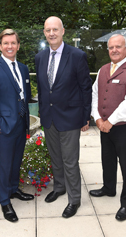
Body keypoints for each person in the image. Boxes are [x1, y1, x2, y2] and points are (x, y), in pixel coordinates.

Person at [35, 16, 92, 218]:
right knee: (56, 157)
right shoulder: (40, 57)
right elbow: (43, 90)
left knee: (70, 161)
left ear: (63, 31)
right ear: (44, 32)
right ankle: (59, 187)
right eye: (48, 30)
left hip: (70, 117)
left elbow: (86, 88)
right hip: (49, 118)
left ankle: (74, 199)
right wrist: (42, 113)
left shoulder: (77, 56)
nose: (52, 33)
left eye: (55, 30)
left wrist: (86, 116)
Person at [90, 34, 126, 221]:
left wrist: (110, 121)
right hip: (104, 125)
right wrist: (97, 118)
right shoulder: (102, 70)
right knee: (107, 160)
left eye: (118, 47)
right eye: (111, 47)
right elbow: (95, 95)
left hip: (124, 127)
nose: (114, 50)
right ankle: (108, 188)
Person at [0, 29, 33, 223]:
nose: (10, 46)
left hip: (21, 123)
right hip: (5, 126)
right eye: (6, 43)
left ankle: (13, 190)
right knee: (5, 165)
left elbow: (25, 95)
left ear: (18, 45)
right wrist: (0, 125)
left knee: (16, 160)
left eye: (13, 43)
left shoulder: (23, 68)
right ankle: (4, 201)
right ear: (0, 46)